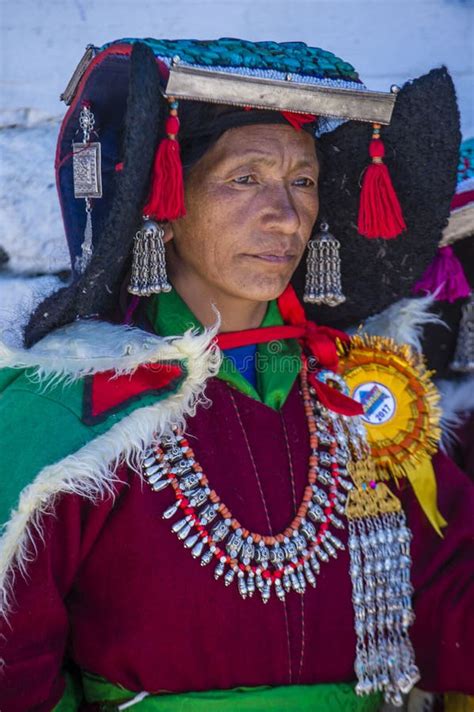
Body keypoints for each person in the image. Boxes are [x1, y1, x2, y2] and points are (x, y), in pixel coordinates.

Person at [0, 38, 472, 712]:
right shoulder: (73, 407)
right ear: (165, 204)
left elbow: (450, 591)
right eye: (245, 178)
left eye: (302, 180)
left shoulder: (360, 399)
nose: (285, 214)